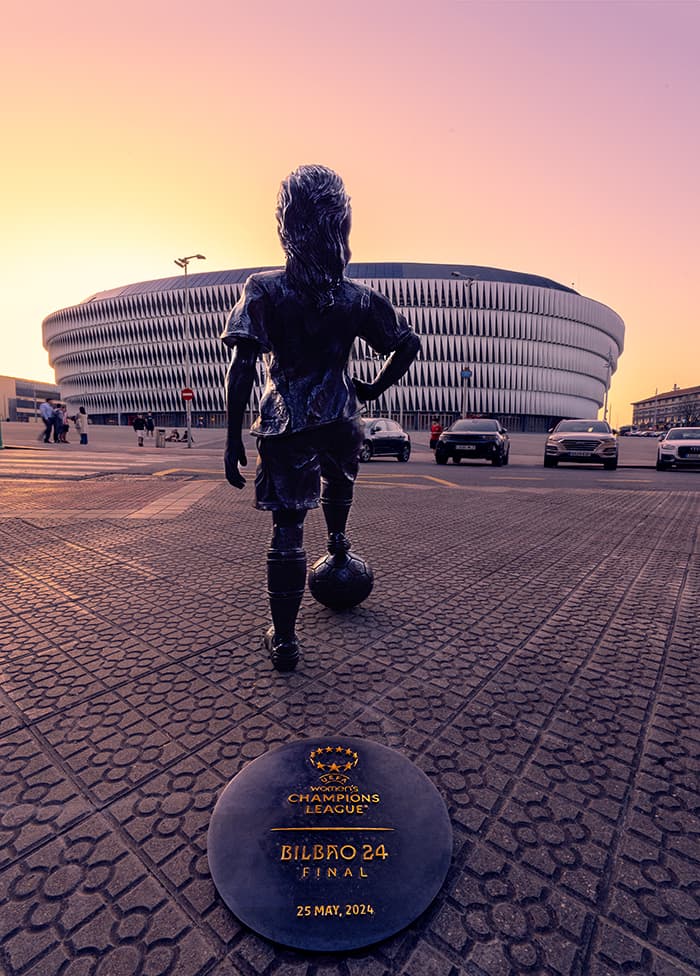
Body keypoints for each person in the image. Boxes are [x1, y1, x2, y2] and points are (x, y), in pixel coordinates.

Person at [223, 164, 420, 671]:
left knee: (287, 530)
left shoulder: (264, 289)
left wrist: (230, 439)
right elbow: (407, 344)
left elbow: (243, 364)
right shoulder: (356, 297)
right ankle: (337, 546)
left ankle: (285, 641)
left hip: (287, 421)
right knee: (340, 483)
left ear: (288, 225)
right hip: (342, 417)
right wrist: (372, 387)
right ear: (341, 227)